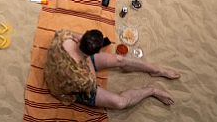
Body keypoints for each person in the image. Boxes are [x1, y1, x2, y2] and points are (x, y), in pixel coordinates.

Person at [44, 29, 180, 109]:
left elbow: (65, 35)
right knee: (120, 103)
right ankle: (152, 90)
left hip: (77, 60)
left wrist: (83, 43)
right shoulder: (85, 78)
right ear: (94, 53)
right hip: (65, 87)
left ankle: (155, 70)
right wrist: (88, 61)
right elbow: (91, 82)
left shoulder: (64, 35)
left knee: (119, 59)